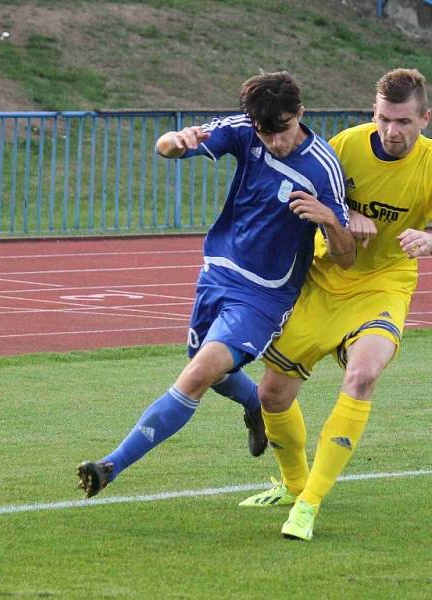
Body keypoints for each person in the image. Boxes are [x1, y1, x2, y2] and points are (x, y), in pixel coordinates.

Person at [76, 71, 355, 498]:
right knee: (205, 366)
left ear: (300, 113)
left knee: (197, 373)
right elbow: (165, 146)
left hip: (265, 294)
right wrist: (177, 141)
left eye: (281, 130)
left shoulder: (323, 167)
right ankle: (254, 404)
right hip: (219, 273)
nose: (273, 142)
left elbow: (346, 256)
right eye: (264, 132)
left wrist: (330, 220)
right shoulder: (245, 131)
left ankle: (111, 465)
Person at [238, 68, 432, 540]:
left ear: (426, 118)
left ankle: (309, 504)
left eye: (404, 121)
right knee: (270, 395)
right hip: (325, 280)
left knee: (363, 374)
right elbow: (305, 198)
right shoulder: (344, 146)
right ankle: (292, 486)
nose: (392, 131)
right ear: (374, 113)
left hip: (383, 286)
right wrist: (347, 213)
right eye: (385, 118)